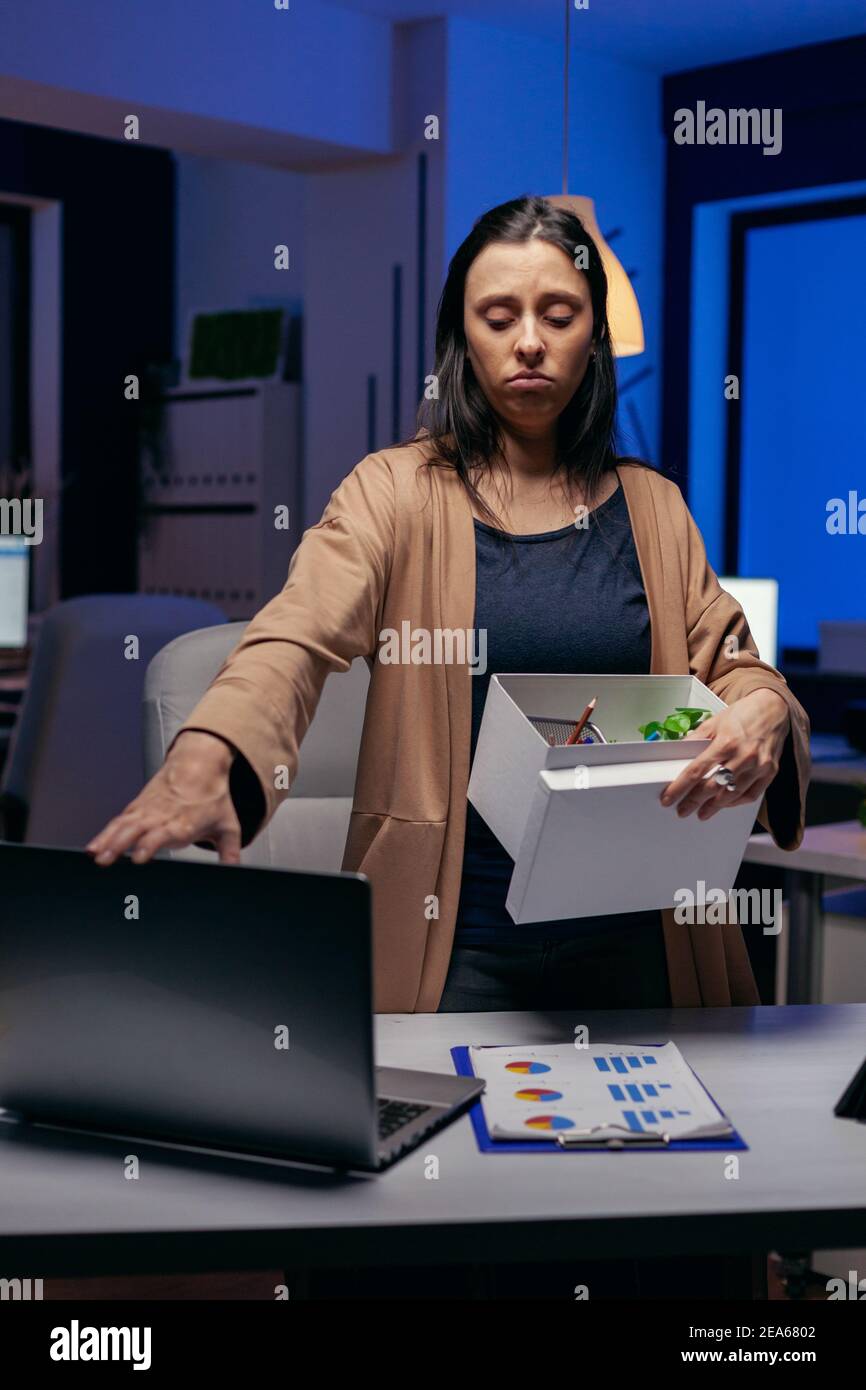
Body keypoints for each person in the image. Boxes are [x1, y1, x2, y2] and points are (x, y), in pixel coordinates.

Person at [87, 196, 810, 1297]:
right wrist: (207, 758)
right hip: (454, 950)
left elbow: (735, 664)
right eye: (498, 312)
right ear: (460, 336)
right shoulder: (393, 492)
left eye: (558, 311)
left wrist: (760, 710)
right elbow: (293, 635)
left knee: (679, 1249)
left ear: (590, 332)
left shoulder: (655, 511)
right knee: (433, 1246)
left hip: (643, 941)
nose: (528, 339)